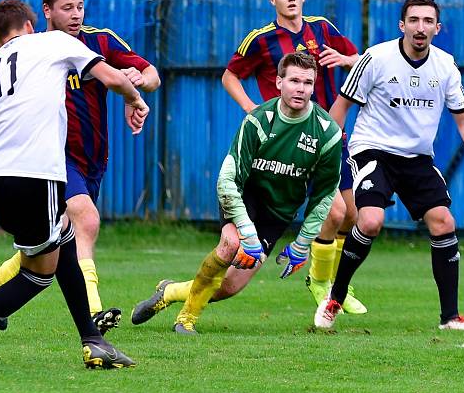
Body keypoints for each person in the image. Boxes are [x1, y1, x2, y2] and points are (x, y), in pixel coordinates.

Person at [0, 0, 149, 368]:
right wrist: (136, 100)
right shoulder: (55, 41)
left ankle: (93, 341)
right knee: (37, 275)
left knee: (65, 240)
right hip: (37, 173)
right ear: (31, 25)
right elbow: (112, 77)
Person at [0, 0, 161, 334]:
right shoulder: (34, 50)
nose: (76, 14)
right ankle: (94, 312)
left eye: (80, 6)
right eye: (67, 7)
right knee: (87, 220)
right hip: (50, 158)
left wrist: (136, 83)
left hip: (93, 157)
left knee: (59, 234)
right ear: (47, 10)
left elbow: (151, 75)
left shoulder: (100, 41)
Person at [131, 52, 341, 334]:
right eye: (293, 81)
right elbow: (228, 180)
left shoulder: (327, 133)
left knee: (228, 287)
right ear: (279, 82)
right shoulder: (257, 121)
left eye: (307, 82)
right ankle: (186, 320)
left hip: (277, 213)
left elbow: (325, 195)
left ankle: (169, 292)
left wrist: (303, 243)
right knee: (230, 244)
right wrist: (246, 232)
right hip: (244, 197)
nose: (300, 89)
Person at [316, 0, 464, 331]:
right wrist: (329, 146)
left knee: (443, 222)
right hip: (373, 150)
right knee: (369, 222)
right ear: (402, 25)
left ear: (437, 28)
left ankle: (450, 318)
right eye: (414, 20)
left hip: (417, 158)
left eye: (428, 21)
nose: (420, 27)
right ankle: (334, 299)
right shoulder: (375, 58)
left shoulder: (445, 66)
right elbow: (341, 105)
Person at [221, 0, 367, 315]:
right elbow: (229, 76)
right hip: (289, 144)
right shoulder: (260, 40)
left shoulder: (323, 29)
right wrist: (251, 108)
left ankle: (330, 282)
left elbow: (363, 61)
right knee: (334, 210)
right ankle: (323, 287)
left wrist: (345, 58)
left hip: (330, 137)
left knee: (352, 216)